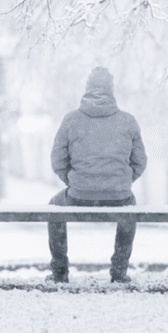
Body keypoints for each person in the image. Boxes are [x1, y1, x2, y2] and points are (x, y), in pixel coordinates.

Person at [47, 66, 147, 283]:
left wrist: (76, 181)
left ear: (87, 88)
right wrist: (121, 182)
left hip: (78, 195)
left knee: (54, 207)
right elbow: (140, 162)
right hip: (119, 196)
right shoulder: (127, 121)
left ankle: (60, 272)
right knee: (130, 207)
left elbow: (57, 161)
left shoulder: (71, 120)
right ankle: (119, 272)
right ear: (111, 89)